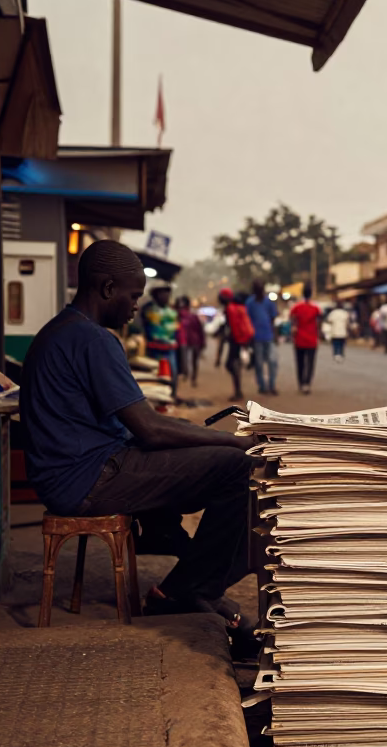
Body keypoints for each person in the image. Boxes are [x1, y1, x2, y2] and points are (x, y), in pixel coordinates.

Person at [20, 241, 258, 652]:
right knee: (237, 466)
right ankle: (188, 589)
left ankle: (188, 573)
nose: (135, 307)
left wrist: (191, 435)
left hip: (74, 472)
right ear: (108, 288)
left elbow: (138, 424)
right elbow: (148, 429)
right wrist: (237, 441)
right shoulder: (92, 339)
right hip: (87, 479)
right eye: (133, 296)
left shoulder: (65, 328)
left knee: (204, 456)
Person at [142, 280, 179, 400]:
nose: (166, 296)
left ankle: (171, 396)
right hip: (154, 349)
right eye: (163, 293)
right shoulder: (148, 309)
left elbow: (175, 330)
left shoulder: (172, 311)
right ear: (156, 295)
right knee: (156, 375)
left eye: (168, 293)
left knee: (172, 373)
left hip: (170, 349)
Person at [246, 280, 280, 396]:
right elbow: (247, 320)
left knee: (272, 362)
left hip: (268, 336)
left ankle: (272, 385)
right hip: (256, 338)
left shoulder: (269, 302)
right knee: (259, 363)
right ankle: (262, 386)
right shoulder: (250, 303)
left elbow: (272, 319)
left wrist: (275, 335)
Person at [219, 288, 253, 401]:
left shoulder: (230, 309)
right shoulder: (236, 307)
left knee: (231, 364)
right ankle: (238, 390)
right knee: (233, 364)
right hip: (239, 340)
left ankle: (238, 391)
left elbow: (231, 326)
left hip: (236, 340)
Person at [290, 282, 321, 394]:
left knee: (300, 363)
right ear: (311, 294)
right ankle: (307, 384)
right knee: (310, 363)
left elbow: (293, 321)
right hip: (312, 339)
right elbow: (319, 323)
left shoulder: (297, 307)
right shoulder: (315, 308)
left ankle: (301, 383)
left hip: (299, 339)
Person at [176, 296, 205, 388]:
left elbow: (200, 330)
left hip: (190, 341)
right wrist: (202, 342)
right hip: (191, 341)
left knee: (191, 360)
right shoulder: (190, 316)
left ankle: (190, 377)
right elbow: (200, 330)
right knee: (191, 361)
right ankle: (191, 377)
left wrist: (202, 342)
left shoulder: (182, 316)